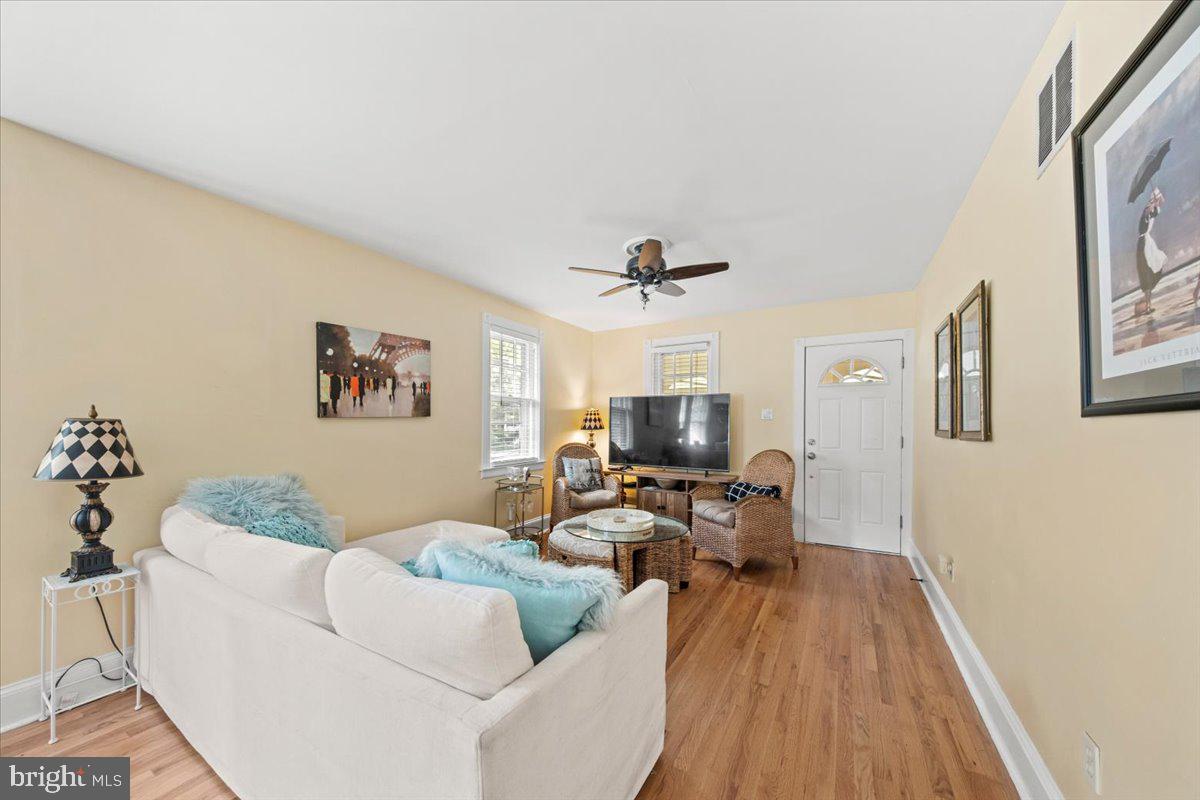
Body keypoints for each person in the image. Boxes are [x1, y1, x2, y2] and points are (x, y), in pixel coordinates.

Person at [1135, 188, 1168, 316]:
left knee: (1151, 272)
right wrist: (1151, 205)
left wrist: (1157, 199)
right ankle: (1148, 306)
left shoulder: (1151, 210)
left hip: (1147, 244)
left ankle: (1148, 305)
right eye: (1156, 199)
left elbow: (1157, 210)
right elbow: (1148, 214)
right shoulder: (1147, 210)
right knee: (1146, 274)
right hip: (1143, 245)